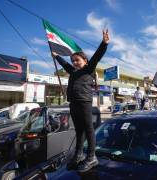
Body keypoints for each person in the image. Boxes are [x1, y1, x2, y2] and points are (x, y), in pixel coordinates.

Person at [51, 30, 109, 172]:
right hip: (73, 103)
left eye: (78, 60)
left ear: (85, 61)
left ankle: (91, 157)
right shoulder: (73, 71)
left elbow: (97, 56)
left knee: (89, 130)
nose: (75, 63)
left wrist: (104, 43)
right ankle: (78, 155)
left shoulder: (89, 69)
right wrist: (57, 56)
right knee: (79, 131)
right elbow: (65, 64)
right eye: (73, 61)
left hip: (84, 102)